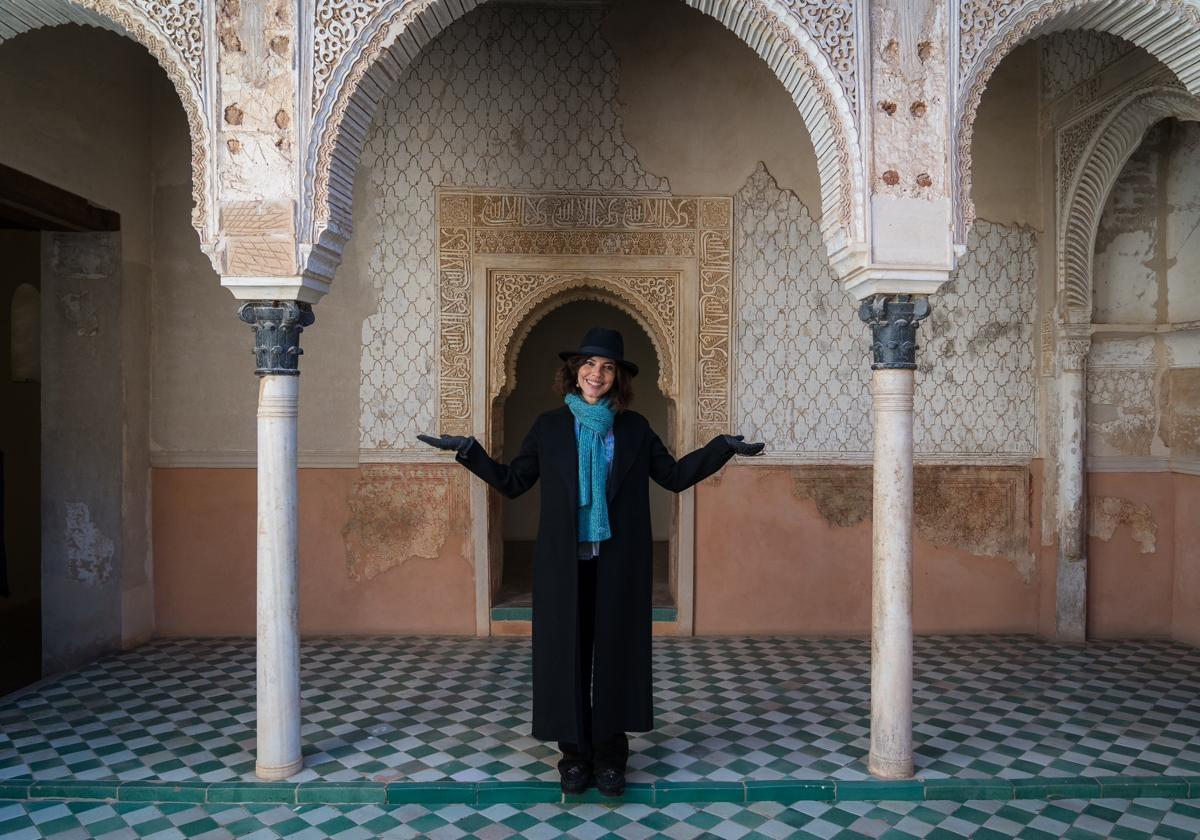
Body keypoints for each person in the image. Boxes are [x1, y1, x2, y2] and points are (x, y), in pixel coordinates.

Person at [417, 327, 764, 796]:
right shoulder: (549, 427)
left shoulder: (634, 427)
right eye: (588, 364)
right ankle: (574, 756)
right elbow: (514, 481)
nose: (596, 374)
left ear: (617, 377)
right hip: (564, 563)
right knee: (567, 656)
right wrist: (468, 451)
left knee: (618, 655)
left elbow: (675, 476)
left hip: (618, 560)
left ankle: (611, 756)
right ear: (574, 372)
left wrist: (720, 448)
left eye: (606, 367)